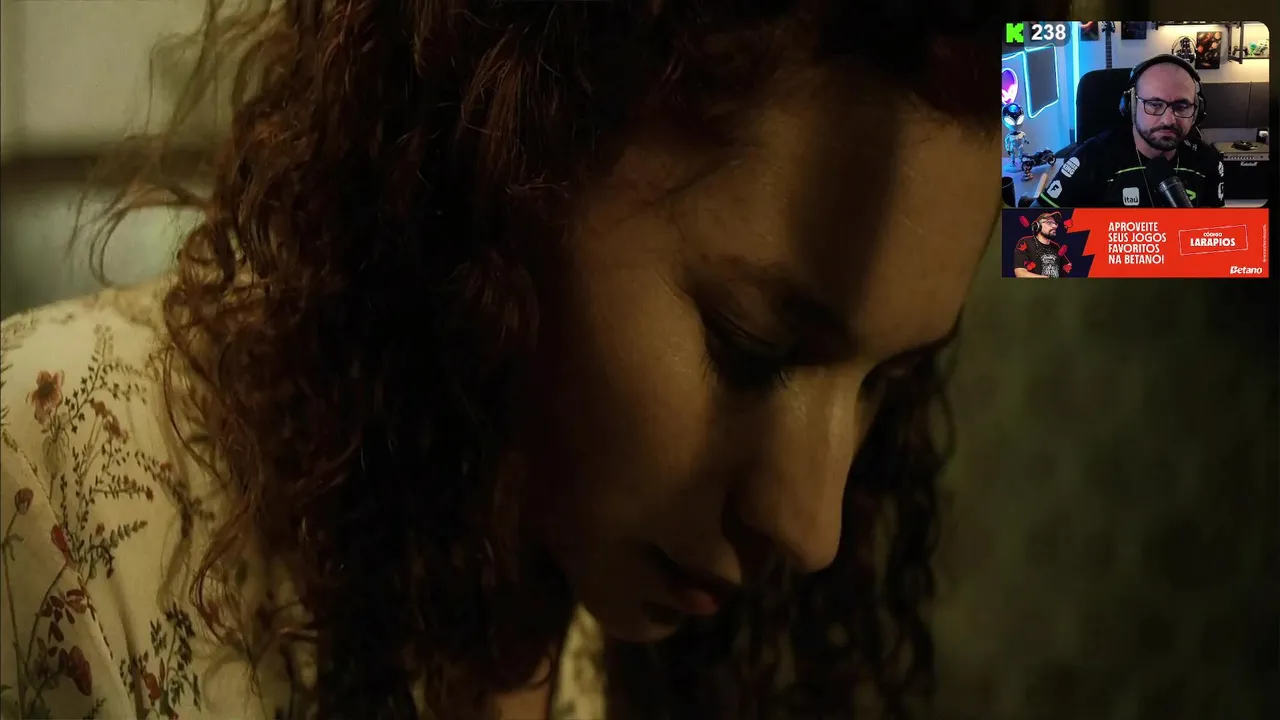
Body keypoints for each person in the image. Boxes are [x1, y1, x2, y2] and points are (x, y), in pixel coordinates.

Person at [0, 2, 1066, 719]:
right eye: (751, 349)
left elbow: (1157, 149)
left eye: (886, 383)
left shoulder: (600, 599)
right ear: (511, 154)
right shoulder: (47, 480)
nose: (811, 528)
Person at [1034, 53, 1226, 209]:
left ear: (1197, 111)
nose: (1169, 120)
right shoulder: (1090, 160)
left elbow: (1216, 234)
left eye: (1182, 106)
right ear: (1131, 105)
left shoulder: (1207, 161)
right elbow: (1033, 228)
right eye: (1154, 104)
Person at [1012, 212, 1073, 278]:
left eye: (1055, 223)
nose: (1055, 226)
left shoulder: (1056, 247)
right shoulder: (1025, 242)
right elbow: (1020, 273)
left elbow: (1067, 266)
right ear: (1038, 225)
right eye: (1049, 222)